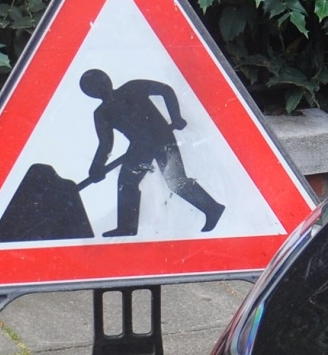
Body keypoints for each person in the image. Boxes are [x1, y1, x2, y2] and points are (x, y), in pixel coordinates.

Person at [76, 69, 224, 236]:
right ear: (91, 94)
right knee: (126, 183)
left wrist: (176, 117)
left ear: (107, 80)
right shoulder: (102, 113)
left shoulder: (131, 87)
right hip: (140, 147)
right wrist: (96, 166)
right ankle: (127, 227)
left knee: (176, 180)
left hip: (162, 137)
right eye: (94, 87)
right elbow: (105, 143)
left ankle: (213, 208)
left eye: (101, 82)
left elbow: (165, 90)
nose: (101, 88)